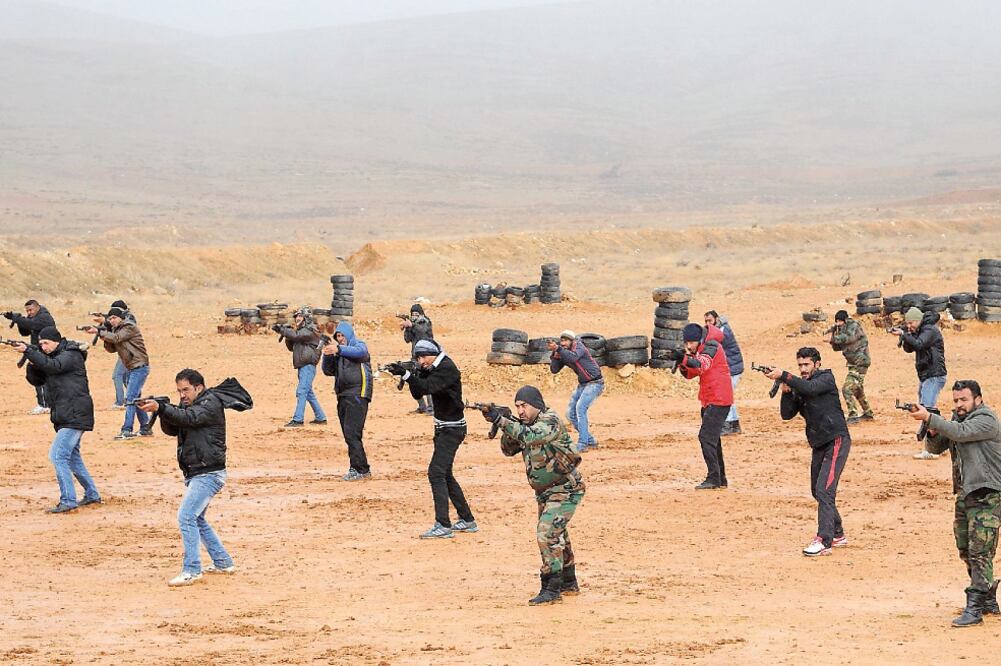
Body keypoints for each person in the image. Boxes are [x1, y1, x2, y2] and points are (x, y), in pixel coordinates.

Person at [138, 369, 252, 587]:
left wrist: (163, 407)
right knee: (196, 519)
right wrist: (163, 410)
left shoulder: (209, 403)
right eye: (179, 391)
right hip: (198, 471)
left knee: (186, 517)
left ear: (198, 388)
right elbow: (173, 429)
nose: (182, 395)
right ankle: (223, 562)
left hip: (208, 472)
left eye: (186, 390)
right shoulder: (190, 405)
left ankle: (192, 569)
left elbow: (190, 418)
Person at [909, 380, 1001, 627]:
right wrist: (932, 429)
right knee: (965, 548)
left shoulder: (986, 419)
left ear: (978, 399)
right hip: (967, 494)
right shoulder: (956, 421)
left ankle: (975, 607)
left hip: (988, 494)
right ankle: (988, 596)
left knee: (981, 552)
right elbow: (937, 447)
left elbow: (961, 433)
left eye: (964, 400)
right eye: (956, 400)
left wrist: (931, 418)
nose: (959, 405)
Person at [484, 385, 585, 605]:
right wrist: (505, 422)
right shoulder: (525, 424)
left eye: (524, 406)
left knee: (546, 533)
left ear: (536, 405)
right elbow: (509, 450)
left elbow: (530, 436)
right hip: (546, 491)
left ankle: (551, 587)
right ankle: (569, 581)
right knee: (558, 534)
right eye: (517, 406)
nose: (521, 410)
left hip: (566, 488)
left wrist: (503, 421)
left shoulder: (549, 421)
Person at [386, 339, 477, 538]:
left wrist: (408, 374)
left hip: (452, 430)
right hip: (443, 429)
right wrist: (409, 374)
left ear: (430, 354)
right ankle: (467, 519)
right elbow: (418, 391)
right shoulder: (434, 367)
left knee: (435, 473)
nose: (420, 362)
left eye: (421, 358)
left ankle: (443, 524)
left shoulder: (447, 368)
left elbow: (428, 387)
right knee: (444, 474)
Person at [766, 347, 851, 557]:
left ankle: (824, 540)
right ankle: (837, 532)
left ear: (817, 364)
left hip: (836, 440)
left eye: (807, 365)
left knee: (824, 490)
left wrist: (785, 375)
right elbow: (787, 415)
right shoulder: (799, 386)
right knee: (817, 490)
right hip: (819, 443)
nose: (803, 369)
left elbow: (811, 388)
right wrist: (786, 392)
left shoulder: (826, 378)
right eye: (800, 365)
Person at [13, 326, 101, 513]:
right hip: (66, 414)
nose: (43, 346)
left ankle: (68, 500)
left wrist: (30, 351)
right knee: (72, 458)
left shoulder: (71, 354)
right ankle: (92, 494)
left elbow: (55, 367)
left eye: (46, 343)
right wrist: (32, 359)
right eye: (40, 344)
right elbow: (36, 380)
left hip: (75, 414)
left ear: (56, 341)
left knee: (58, 455)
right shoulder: (51, 357)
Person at [675, 323, 733, 490]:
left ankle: (714, 478)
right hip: (711, 399)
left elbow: (702, 365)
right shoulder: (703, 347)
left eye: (691, 343)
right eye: (686, 343)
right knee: (713, 440)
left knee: (706, 438)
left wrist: (684, 358)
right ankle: (720, 478)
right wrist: (681, 362)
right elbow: (691, 374)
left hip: (718, 399)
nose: (688, 346)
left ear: (698, 340)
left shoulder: (712, 346)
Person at [85, 306, 152, 440]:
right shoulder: (116, 329)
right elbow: (112, 348)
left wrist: (100, 332)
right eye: (110, 319)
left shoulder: (129, 326)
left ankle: (127, 429)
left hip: (139, 366)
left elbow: (116, 338)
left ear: (121, 317)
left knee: (131, 398)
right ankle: (146, 427)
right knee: (136, 398)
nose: (112, 320)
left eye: (114, 318)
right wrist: (104, 334)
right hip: (132, 367)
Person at [321, 321, 374, 481]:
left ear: (349, 334)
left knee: (352, 433)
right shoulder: (339, 352)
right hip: (343, 395)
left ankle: (358, 469)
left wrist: (339, 349)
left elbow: (360, 353)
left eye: (342, 335)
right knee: (349, 434)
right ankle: (361, 468)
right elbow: (328, 371)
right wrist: (327, 354)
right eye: (338, 336)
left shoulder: (359, 345)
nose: (340, 338)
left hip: (358, 394)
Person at [893, 307, 948, 460]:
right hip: (926, 376)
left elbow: (918, 344)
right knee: (927, 410)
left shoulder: (930, 330)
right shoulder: (920, 330)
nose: (909, 325)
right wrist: (906, 335)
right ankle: (940, 443)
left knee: (927, 412)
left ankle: (932, 449)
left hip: (934, 375)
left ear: (918, 320)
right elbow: (909, 349)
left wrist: (905, 334)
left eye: (910, 323)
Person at [548, 330, 604, 452]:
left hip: (595, 383)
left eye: (565, 340)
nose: (563, 343)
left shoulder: (579, 347)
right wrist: (555, 356)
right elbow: (554, 370)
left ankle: (583, 443)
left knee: (580, 408)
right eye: (561, 340)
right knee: (570, 414)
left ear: (572, 341)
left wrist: (558, 349)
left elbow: (573, 358)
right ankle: (589, 440)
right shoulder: (564, 352)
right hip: (583, 384)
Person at [275, 307, 327, 428]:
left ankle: (298, 419)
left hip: (308, 366)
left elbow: (297, 336)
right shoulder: (301, 332)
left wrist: (283, 331)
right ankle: (321, 417)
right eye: (296, 316)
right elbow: (291, 346)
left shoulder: (309, 331)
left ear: (306, 318)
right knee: (308, 393)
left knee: (302, 391)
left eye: (300, 316)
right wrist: (287, 335)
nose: (297, 318)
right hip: (303, 366)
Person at [4, 299, 56, 414]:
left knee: (40, 376)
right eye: (27, 311)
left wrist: (17, 318)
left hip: (46, 351)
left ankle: (45, 405)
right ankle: (46, 404)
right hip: (37, 350)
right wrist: (17, 320)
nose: (29, 313)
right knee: (40, 376)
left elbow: (32, 325)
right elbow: (25, 332)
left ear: (37, 307)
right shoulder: (34, 316)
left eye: (31, 310)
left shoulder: (44, 317)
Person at [824, 310, 873, 425]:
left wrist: (833, 338)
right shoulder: (840, 329)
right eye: (837, 322)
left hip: (860, 362)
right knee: (857, 389)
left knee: (847, 389)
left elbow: (848, 338)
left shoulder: (853, 326)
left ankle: (853, 415)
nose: (838, 324)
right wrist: (832, 340)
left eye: (840, 321)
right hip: (853, 363)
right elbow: (838, 348)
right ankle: (868, 412)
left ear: (845, 320)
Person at [704, 310, 744, 435]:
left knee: (725, 397)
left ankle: (728, 425)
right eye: (705, 321)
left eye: (710, 320)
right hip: (732, 368)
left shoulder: (721, 331)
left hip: (733, 368)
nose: (707, 323)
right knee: (727, 396)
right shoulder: (721, 328)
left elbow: (709, 342)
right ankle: (734, 425)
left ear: (716, 319)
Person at [94, 299, 134, 410]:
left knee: (117, 375)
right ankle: (133, 399)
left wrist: (105, 321)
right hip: (127, 351)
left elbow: (119, 333)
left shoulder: (129, 319)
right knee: (126, 377)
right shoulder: (127, 317)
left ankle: (120, 402)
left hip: (128, 352)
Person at [401, 303, 435, 414]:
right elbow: (407, 339)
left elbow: (422, 331)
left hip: (427, 356)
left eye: (416, 313)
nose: (414, 316)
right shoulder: (414, 323)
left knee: (427, 381)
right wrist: (407, 328)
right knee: (413, 381)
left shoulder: (425, 321)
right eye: (412, 314)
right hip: (416, 356)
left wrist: (412, 325)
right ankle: (422, 407)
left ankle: (431, 407)